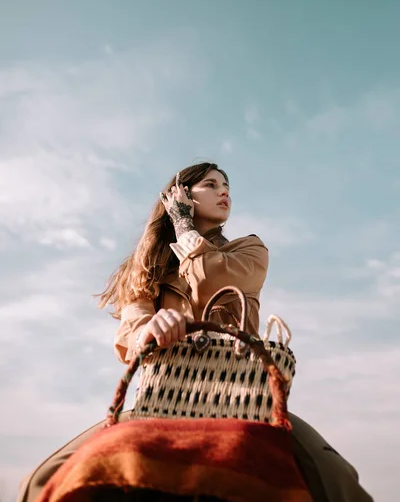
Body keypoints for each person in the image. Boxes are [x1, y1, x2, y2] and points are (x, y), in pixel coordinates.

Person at [18, 162, 373, 502]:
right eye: (212, 185)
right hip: (164, 393)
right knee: (45, 478)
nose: (225, 193)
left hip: (240, 391)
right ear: (181, 195)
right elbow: (130, 327)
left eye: (227, 187)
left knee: (334, 476)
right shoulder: (147, 267)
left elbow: (211, 280)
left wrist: (185, 228)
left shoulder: (249, 249)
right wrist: (148, 328)